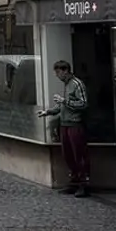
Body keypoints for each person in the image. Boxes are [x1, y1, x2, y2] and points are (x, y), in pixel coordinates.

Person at [39, 60, 90, 197]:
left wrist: (64, 101)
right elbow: (63, 106)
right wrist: (48, 112)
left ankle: (83, 184)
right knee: (68, 155)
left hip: (75, 124)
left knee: (79, 154)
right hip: (65, 124)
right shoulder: (66, 85)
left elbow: (84, 104)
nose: (57, 75)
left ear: (65, 70)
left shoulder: (77, 84)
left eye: (58, 72)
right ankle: (74, 182)